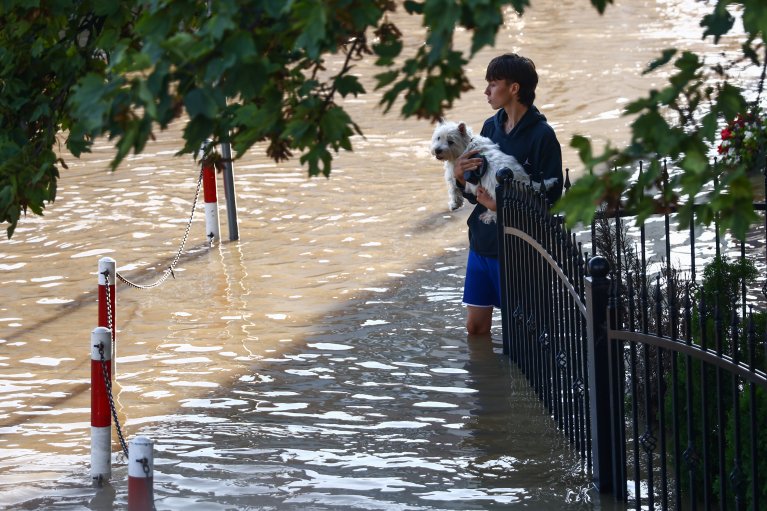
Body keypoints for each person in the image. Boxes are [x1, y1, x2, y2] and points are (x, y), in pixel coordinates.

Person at [453, 53, 563, 335]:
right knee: (475, 329)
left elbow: (550, 200)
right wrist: (459, 177)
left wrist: (501, 206)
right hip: (482, 241)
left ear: (514, 88)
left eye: (493, 83)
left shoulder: (543, 136)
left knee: (522, 336)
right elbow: (474, 191)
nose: (486, 91)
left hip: (518, 251)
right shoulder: (490, 127)